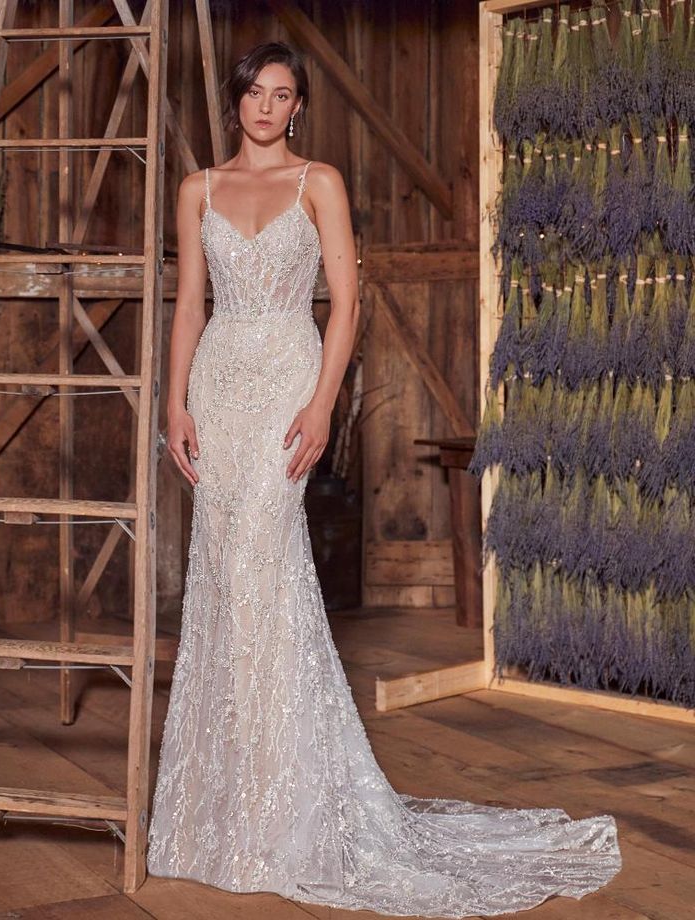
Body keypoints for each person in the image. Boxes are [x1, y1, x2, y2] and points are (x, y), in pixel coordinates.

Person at [146, 40, 622, 918]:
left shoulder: (317, 181)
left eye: (282, 95)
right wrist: (173, 403)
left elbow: (349, 302)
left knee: (265, 561)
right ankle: (222, 811)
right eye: (255, 91)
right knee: (225, 577)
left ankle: (289, 808)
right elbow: (190, 303)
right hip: (217, 383)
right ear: (236, 99)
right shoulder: (198, 189)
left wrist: (324, 404)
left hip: (289, 373)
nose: (266, 106)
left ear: (297, 108)